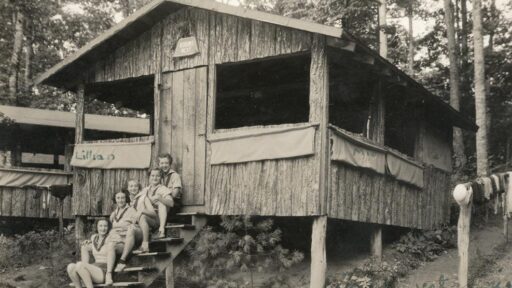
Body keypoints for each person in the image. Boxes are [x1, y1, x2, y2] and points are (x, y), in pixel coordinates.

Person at [105, 190, 142, 284]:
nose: (120, 200)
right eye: (118, 198)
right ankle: (108, 274)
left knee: (130, 228)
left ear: (126, 199)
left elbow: (135, 226)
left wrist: (120, 231)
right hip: (118, 241)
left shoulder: (131, 210)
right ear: (115, 199)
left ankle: (122, 261)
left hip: (129, 240)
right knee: (111, 246)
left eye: (122, 198)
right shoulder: (114, 213)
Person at [67, 218, 111, 288]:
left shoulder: (110, 238)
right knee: (70, 267)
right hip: (94, 268)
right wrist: (86, 244)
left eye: (105, 226)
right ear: (97, 227)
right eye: (101, 226)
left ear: (108, 227)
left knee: (79, 264)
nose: (103, 228)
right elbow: (93, 247)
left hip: (103, 271)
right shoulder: (94, 238)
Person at [141, 168, 173, 239]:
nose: (155, 178)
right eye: (152, 176)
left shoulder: (163, 189)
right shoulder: (145, 190)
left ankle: (161, 230)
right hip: (149, 216)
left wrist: (159, 198)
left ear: (161, 177)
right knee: (142, 215)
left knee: (161, 204)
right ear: (149, 177)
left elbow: (171, 203)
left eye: (157, 176)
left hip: (159, 218)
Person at [130, 179, 158, 253]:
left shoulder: (144, 198)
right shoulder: (129, 201)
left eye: (135, 186)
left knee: (142, 216)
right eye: (131, 186)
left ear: (139, 188)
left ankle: (145, 245)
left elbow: (154, 214)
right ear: (128, 188)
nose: (133, 188)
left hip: (152, 222)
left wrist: (142, 211)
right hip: (138, 225)